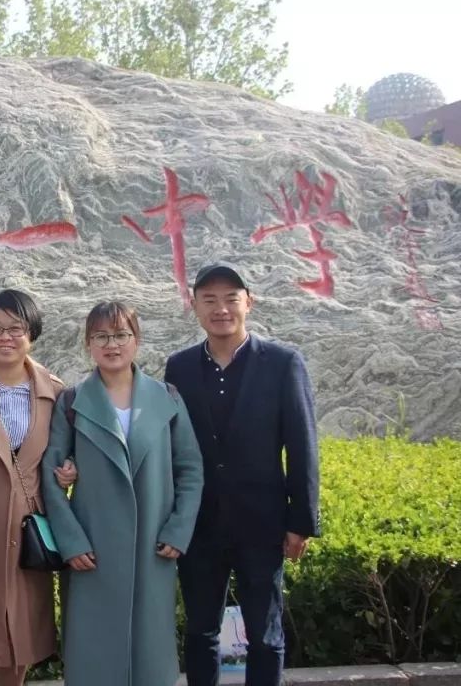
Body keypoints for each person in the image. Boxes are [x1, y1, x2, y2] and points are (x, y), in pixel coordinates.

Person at [165, 262, 320, 686]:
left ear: (248, 302)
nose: (221, 309)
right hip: (199, 524)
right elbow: (169, 445)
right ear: (194, 306)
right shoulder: (179, 368)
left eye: (231, 299)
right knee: (200, 632)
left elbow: (303, 446)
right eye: (209, 300)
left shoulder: (283, 363)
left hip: (262, 523)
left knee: (265, 636)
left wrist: (301, 521)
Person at [42, 300, 203, 686]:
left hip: (153, 547)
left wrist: (178, 530)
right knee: (93, 658)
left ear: (136, 340)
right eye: (100, 336)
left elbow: (190, 469)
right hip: (92, 553)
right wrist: (71, 542)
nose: (111, 344)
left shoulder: (167, 398)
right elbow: (50, 474)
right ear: (88, 344)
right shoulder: (72, 402)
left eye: (120, 335)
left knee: (151, 656)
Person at [0, 289, 77, 686]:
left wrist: (69, 470)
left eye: (16, 329)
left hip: (28, 531)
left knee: (19, 639)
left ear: (32, 334)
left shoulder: (54, 392)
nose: (5, 337)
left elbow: (64, 452)